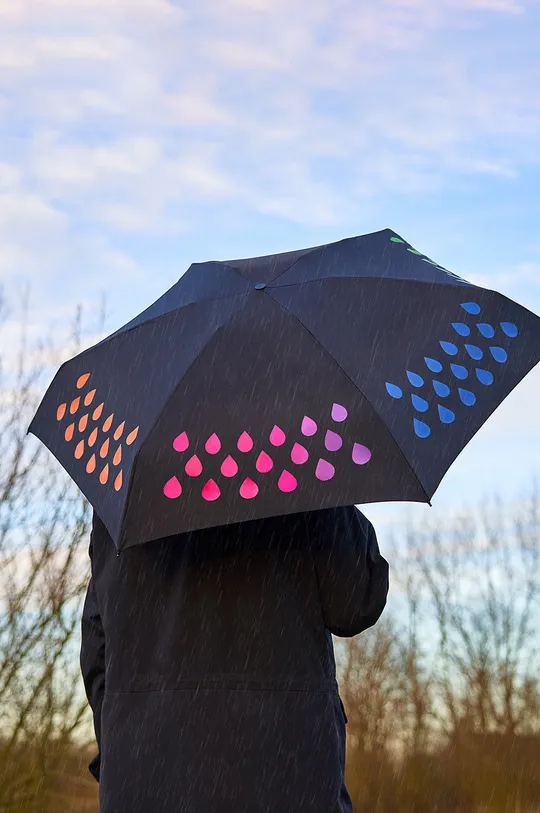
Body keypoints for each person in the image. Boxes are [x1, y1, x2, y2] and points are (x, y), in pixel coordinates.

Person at [80, 504, 389, 813]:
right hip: (286, 776)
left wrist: (122, 752)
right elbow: (356, 602)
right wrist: (330, 490)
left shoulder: (124, 492)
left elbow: (98, 647)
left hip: (143, 777)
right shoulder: (296, 468)